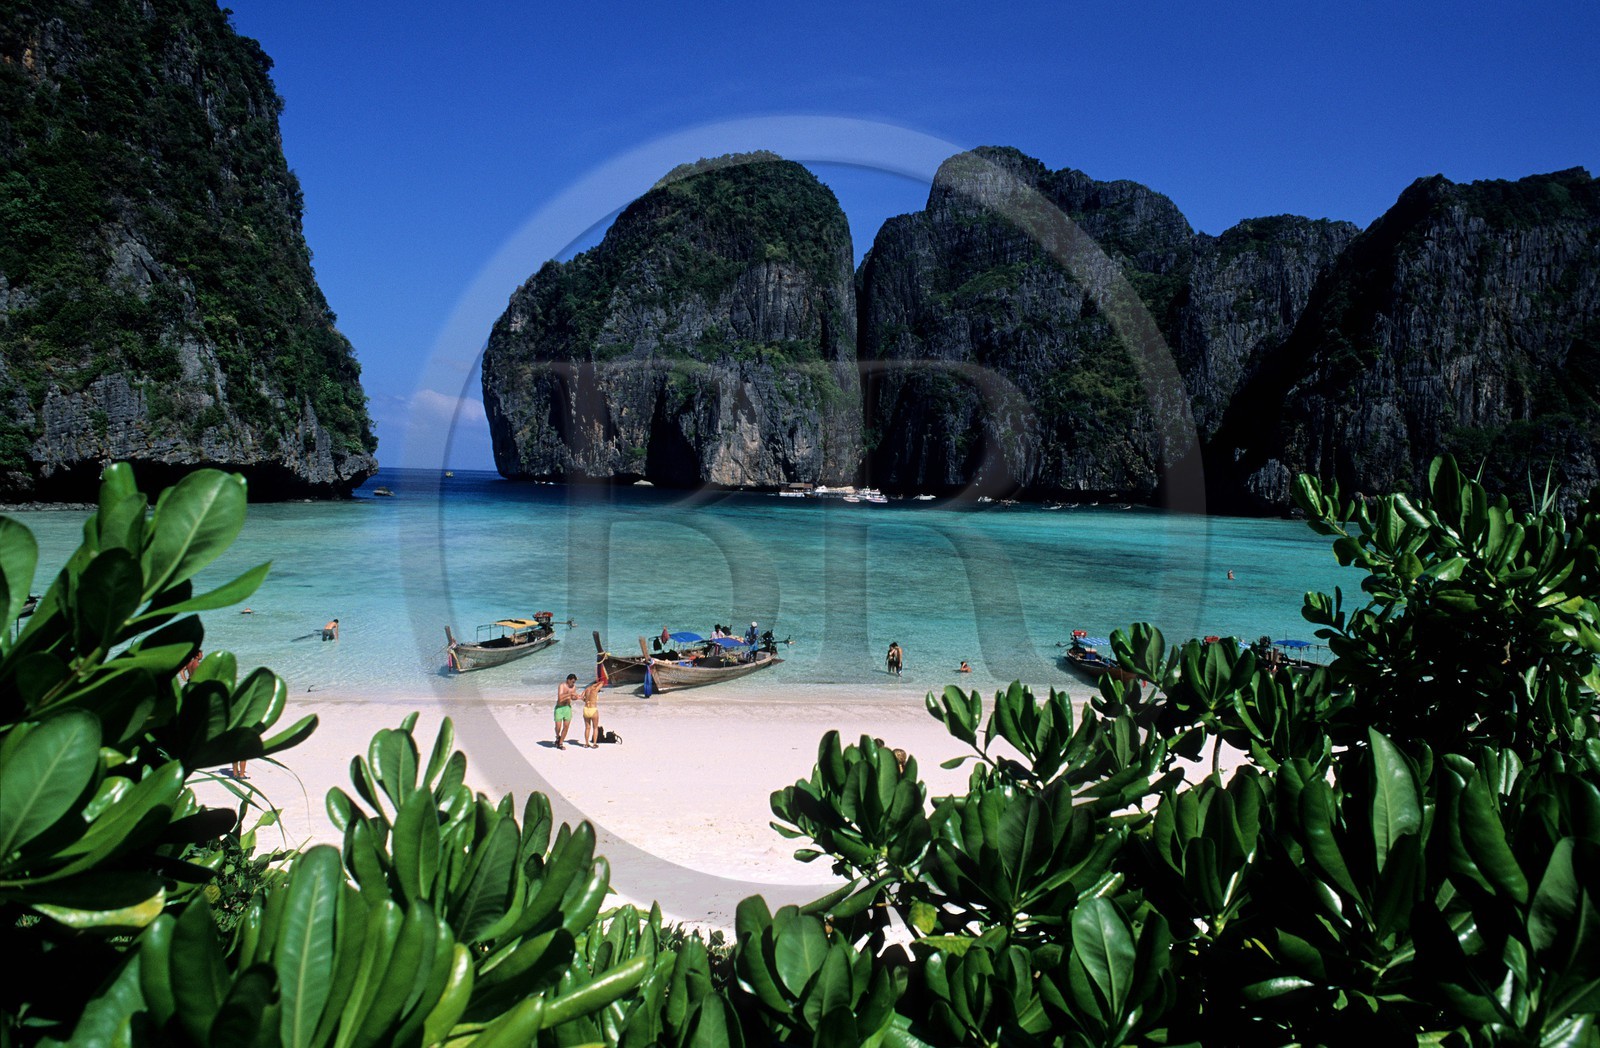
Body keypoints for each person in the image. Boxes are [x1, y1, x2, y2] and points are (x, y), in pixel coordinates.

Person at [554, 674, 576, 750]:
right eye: (572, 682)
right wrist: (570, 694)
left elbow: (573, 698)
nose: (573, 684)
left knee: (566, 726)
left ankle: (560, 743)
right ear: (568, 680)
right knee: (558, 727)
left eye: (574, 682)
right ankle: (557, 736)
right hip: (559, 708)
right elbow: (560, 698)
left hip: (567, 708)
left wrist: (575, 697)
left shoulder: (573, 687)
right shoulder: (562, 686)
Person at [581, 680, 602, 748]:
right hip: (593, 710)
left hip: (586, 709)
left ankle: (586, 743)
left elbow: (581, 697)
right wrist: (595, 685)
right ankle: (594, 743)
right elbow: (602, 683)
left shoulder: (587, 689)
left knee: (587, 728)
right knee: (595, 728)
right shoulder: (595, 690)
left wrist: (585, 700)